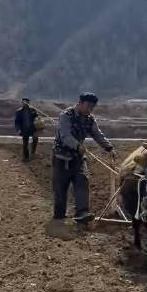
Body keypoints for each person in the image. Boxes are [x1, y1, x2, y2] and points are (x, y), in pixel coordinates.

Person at [52, 93, 115, 223]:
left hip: (78, 159)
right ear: (80, 103)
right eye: (88, 106)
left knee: (82, 182)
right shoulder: (66, 115)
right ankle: (59, 216)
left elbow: (97, 134)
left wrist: (109, 147)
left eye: (92, 107)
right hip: (61, 158)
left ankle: (82, 212)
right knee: (60, 188)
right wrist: (77, 145)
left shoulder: (89, 119)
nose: (90, 110)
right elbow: (65, 135)